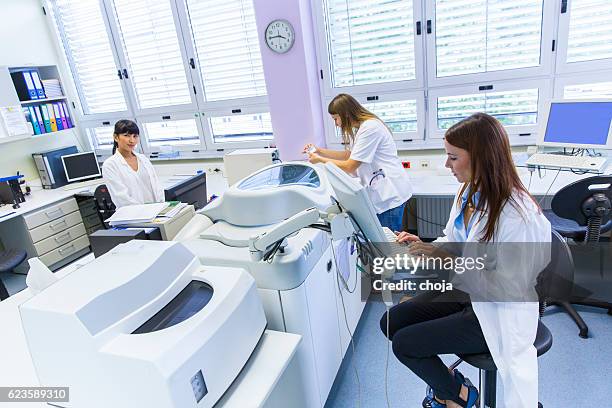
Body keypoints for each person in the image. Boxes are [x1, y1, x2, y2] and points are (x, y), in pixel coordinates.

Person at [380, 113, 551, 408]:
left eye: (453, 157)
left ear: (481, 158)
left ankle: (457, 397)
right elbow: (454, 239)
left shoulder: (517, 215)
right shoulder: (468, 193)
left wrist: (444, 262)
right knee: (391, 322)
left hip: (498, 310)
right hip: (469, 293)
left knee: (405, 344)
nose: (447, 165)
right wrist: (424, 246)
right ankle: (454, 387)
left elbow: (505, 285)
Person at [304, 93, 412, 232]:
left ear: (346, 114)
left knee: (386, 244)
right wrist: (319, 151)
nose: (336, 123)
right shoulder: (364, 127)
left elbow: (350, 166)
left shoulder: (370, 128)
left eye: (336, 118)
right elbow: (350, 155)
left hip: (390, 195)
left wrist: (320, 160)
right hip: (383, 191)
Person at [102, 120, 164, 208]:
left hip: (155, 212)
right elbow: (121, 198)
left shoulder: (143, 159)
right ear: (116, 137)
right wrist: (144, 211)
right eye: (126, 135)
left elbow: (157, 186)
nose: (132, 140)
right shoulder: (110, 165)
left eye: (135, 136)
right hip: (132, 215)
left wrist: (161, 207)